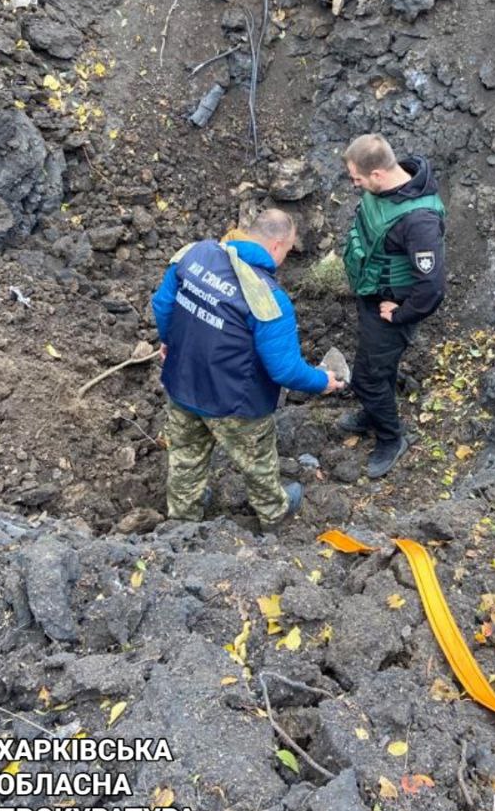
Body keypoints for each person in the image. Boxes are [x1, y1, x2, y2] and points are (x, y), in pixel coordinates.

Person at [152, 209, 344, 528]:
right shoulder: (268, 297)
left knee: (186, 455)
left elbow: (162, 305)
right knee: (257, 462)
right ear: (276, 246)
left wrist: (170, 340)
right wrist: (321, 381)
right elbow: (284, 370)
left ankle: (183, 520)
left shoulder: (196, 254)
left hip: (182, 381)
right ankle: (273, 513)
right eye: (288, 249)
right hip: (234, 402)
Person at [341, 134, 446, 477]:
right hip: (371, 294)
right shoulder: (388, 188)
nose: (354, 184)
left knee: (367, 378)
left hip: (391, 309)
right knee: (374, 367)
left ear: (377, 175)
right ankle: (373, 414)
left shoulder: (420, 222)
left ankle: (391, 439)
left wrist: (400, 314)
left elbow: (431, 288)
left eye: (357, 178)